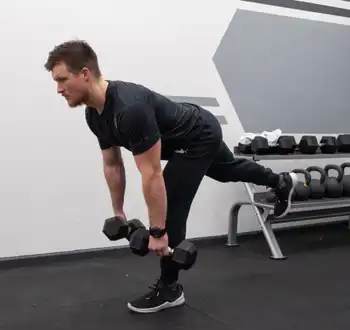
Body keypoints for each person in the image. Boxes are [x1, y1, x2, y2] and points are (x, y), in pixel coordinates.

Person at [44, 40, 298, 314]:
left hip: (198, 135)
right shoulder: (94, 115)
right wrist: (119, 212)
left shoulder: (130, 109)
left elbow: (151, 174)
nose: (58, 89)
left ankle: (170, 288)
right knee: (227, 171)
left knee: (170, 209)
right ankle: (281, 182)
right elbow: (113, 164)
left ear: (84, 74)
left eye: (62, 80)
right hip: (189, 132)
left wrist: (158, 232)